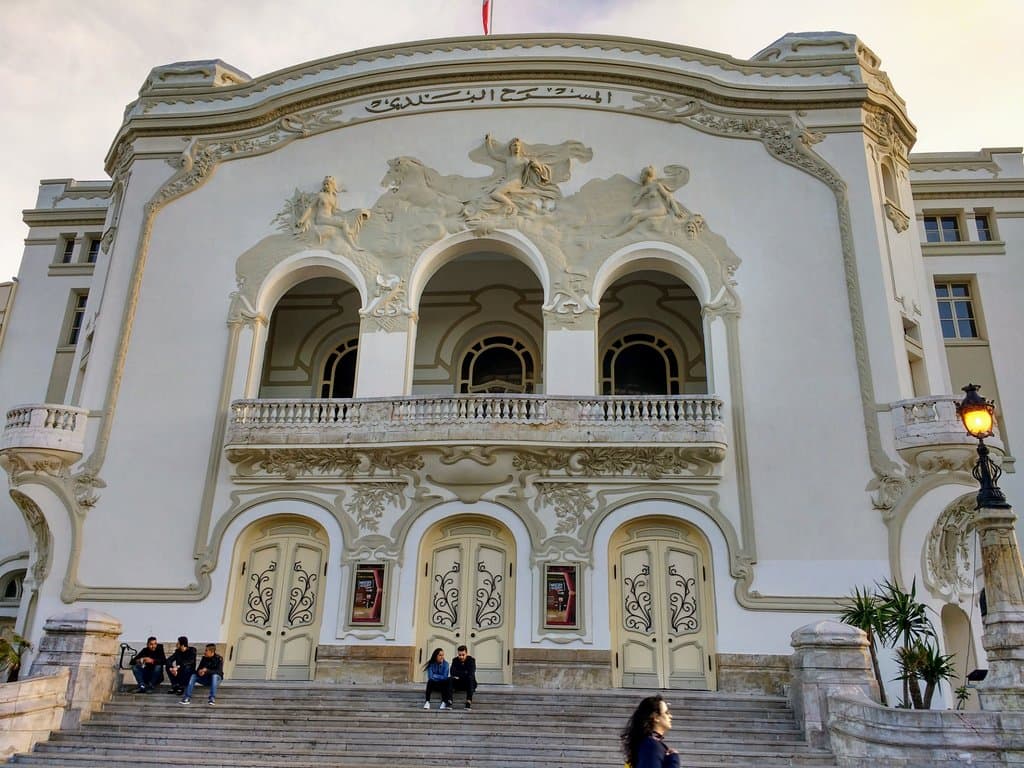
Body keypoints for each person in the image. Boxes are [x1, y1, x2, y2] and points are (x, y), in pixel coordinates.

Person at [621, 694, 679, 768]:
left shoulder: (649, 743)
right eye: (666, 713)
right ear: (655, 717)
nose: (670, 716)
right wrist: (673, 760)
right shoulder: (652, 746)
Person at [449, 645, 477, 709]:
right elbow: (452, 672)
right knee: (450, 679)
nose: (461, 657)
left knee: (470, 678)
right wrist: (465, 673)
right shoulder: (455, 660)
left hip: (469, 684)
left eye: (463, 655)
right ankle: (449, 701)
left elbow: (471, 672)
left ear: (466, 654)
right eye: (459, 655)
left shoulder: (471, 660)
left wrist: (459, 675)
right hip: (459, 684)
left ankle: (468, 702)